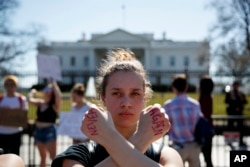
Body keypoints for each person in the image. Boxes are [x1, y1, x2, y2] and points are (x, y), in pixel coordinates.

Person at [52, 48, 183, 167]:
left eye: (135, 93)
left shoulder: (166, 155)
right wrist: (140, 140)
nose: (126, 103)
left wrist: (110, 137)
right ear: (103, 98)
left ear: (144, 99)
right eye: (117, 93)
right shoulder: (78, 155)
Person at [164, 74, 201, 167]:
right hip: (194, 144)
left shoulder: (168, 105)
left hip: (177, 146)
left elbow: (165, 125)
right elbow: (199, 123)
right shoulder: (195, 104)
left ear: (174, 88)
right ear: (186, 87)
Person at [28, 79, 61, 167]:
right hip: (39, 131)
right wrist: (32, 92)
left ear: (52, 92)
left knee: (53, 157)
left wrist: (54, 84)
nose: (46, 91)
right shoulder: (41, 102)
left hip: (49, 131)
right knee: (42, 157)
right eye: (45, 89)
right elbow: (29, 100)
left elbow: (59, 97)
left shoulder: (54, 105)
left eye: (48, 89)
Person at [0, 75, 28, 155]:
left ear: (16, 86)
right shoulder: (1, 99)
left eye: (12, 84)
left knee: (14, 156)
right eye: (7, 84)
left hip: (15, 133)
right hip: (2, 132)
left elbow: (24, 115)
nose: (9, 87)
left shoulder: (21, 99)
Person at [225, 80, 248, 146]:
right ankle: (229, 141)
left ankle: (241, 141)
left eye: (237, 85)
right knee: (230, 127)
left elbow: (245, 102)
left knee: (240, 128)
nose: (236, 87)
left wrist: (241, 99)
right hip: (231, 113)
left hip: (239, 114)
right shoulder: (230, 94)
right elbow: (226, 101)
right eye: (234, 85)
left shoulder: (241, 94)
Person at [199, 75, 214, 167]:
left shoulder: (204, 98)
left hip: (203, 129)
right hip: (208, 127)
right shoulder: (209, 97)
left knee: (206, 156)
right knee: (208, 155)